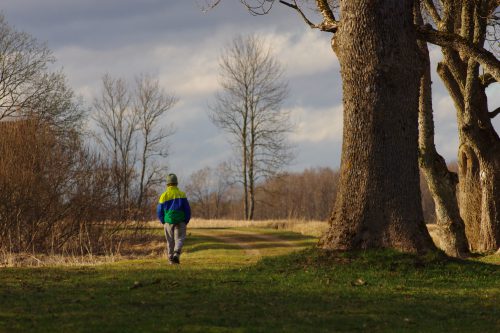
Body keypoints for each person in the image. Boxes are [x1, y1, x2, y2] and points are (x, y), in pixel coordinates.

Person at [156, 173, 191, 264]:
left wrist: (163, 221)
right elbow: (187, 209)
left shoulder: (164, 195)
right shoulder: (182, 194)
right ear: (176, 183)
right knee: (179, 239)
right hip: (180, 221)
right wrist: (186, 220)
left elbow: (159, 210)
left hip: (168, 221)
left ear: (167, 184)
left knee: (170, 241)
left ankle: (171, 260)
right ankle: (176, 253)